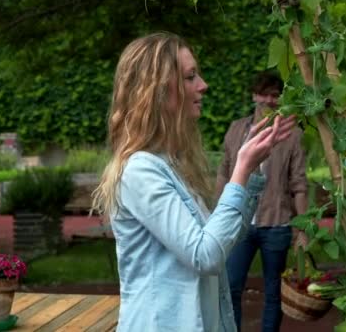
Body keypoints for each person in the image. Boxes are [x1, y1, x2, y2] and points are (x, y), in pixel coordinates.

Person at [92, 32, 296, 332]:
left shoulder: (170, 164)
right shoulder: (140, 171)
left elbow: (221, 240)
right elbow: (206, 255)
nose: (203, 85)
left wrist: (251, 174)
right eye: (190, 77)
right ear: (157, 91)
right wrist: (240, 170)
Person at [216, 71, 309, 332]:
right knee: (231, 286)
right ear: (254, 95)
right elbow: (224, 171)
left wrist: (302, 230)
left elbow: (299, 184)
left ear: (281, 99)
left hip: (276, 224)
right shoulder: (237, 129)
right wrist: (217, 211)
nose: (269, 100)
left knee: (273, 293)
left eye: (275, 95)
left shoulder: (293, 135)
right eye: (263, 94)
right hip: (238, 223)